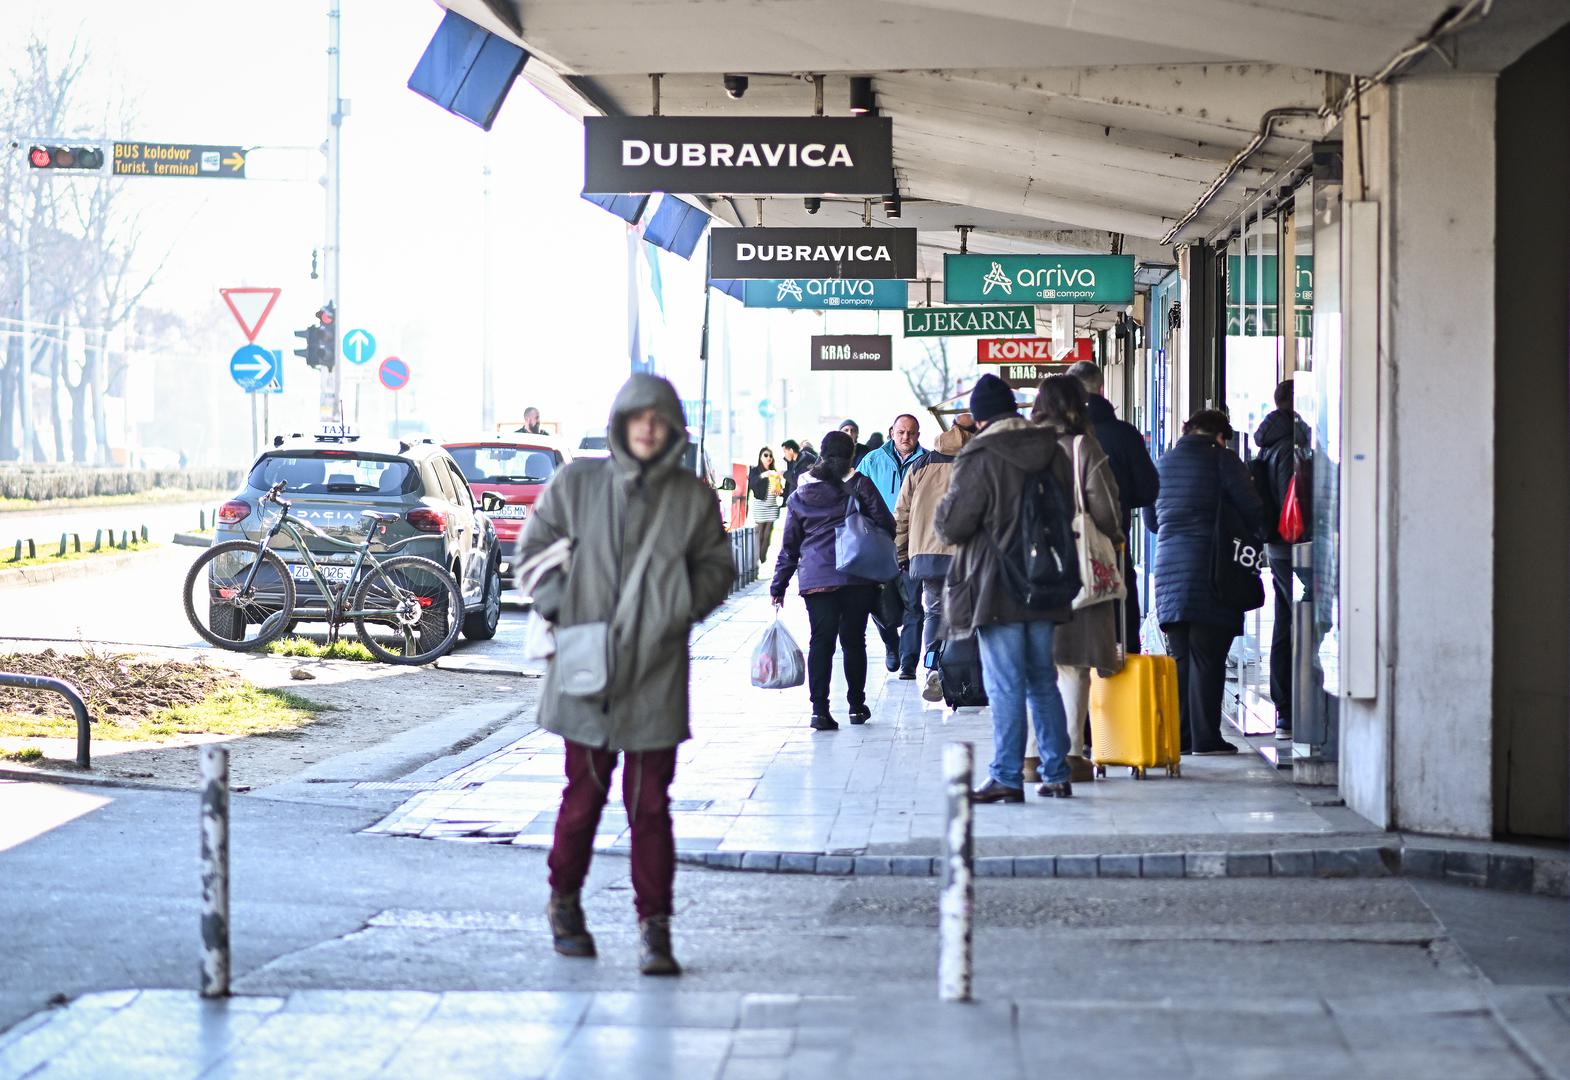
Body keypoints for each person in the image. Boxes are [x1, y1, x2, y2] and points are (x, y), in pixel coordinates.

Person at [517, 374, 733, 976]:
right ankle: (564, 904)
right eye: (639, 418)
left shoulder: (691, 497)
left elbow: (718, 567)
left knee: (650, 805)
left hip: (656, 669)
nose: (648, 429)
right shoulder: (577, 483)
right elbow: (532, 553)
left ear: (673, 430)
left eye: (659, 420)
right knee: (583, 797)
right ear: (621, 423)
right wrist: (565, 609)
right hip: (584, 664)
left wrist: (678, 606)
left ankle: (655, 929)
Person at [935, 373, 1077, 801]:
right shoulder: (1052, 449)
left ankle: (1007, 776)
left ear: (980, 420)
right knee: (1042, 679)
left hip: (996, 585)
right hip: (1046, 577)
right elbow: (1068, 507)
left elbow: (953, 525)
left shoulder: (980, 455)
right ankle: (1056, 772)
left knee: (1005, 683)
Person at [1142, 409, 1265, 756]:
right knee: (1208, 655)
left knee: (1183, 657)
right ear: (1221, 436)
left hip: (1169, 571)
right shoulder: (1223, 460)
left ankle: (1183, 737)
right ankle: (1206, 739)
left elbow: (1152, 521)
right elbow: (1253, 509)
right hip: (1212, 569)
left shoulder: (1163, 463)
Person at [1030, 376, 1124, 784]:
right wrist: (1115, 535)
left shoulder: (1023, 445)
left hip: (1030, 568)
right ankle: (1069, 755)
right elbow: (1105, 508)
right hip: (1076, 566)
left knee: (1036, 665)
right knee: (1072, 665)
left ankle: (1030, 757)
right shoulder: (1083, 446)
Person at [770, 430, 894, 731]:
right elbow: (887, 523)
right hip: (856, 576)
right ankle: (856, 706)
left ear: (821, 456)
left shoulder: (800, 494)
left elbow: (790, 546)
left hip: (816, 579)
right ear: (852, 456)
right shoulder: (859, 485)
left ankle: (819, 711)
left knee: (821, 642)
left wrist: (779, 585)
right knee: (854, 641)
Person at [1066, 360, 1159, 651]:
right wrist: (1121, 500)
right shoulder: (1124, 434)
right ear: (1102, 388)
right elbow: (1148, 490)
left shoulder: (1056, 437)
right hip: (1114, 545)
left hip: (1066, 548)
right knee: (1120, 617)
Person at [894, 412, 974, 702]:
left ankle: (932, 667)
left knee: (934, 611)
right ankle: (963, 674)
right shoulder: (978, 462)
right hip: (967, 555)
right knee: (968, 614)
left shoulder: (921, 465)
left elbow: (902, 514)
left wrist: (901, 553)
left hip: (927, 555)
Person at [1253, 378, 1312, 739]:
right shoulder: (1292, 446)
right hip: (1295, 545)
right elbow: (1297, 501)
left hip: (1277, 546)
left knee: (1286, 621)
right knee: (1301, 622)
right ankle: (1295, 707)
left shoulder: (1268, 443)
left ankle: (1285, 706)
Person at [859, 414, 930, 678]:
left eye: (911, 433)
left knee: (913, 604)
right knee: (878, 602)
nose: (905, 437)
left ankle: (909, 662)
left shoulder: (927, 462)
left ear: (918, 435)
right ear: (891, 433)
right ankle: (892, 644)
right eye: (900, 432)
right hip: (879, 545)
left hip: (914, 543)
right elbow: (855, 498)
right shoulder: (872, 461)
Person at [747, 447, 784, 564]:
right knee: (760, 534)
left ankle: (762, 559)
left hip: (772, 506)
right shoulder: (755, 471)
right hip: (760, 506)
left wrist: (780, 491)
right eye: (766, 455)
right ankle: (756, 559)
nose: (769, 458)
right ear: (760, 457)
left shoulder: (774, 472)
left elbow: (779, 487)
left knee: (768, 534)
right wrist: (764, 475)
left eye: (770, 456)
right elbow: (752, 483)